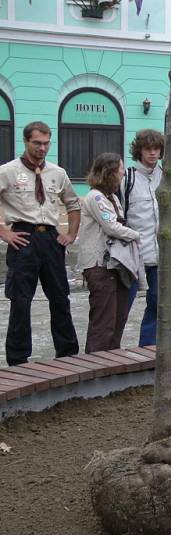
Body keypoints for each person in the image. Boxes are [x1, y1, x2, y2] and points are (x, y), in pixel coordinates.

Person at [0, 121, 80, 365]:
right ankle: (18, 358)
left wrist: (71, 235)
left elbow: (73, 204)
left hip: (51, 239)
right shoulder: (8, 171)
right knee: (21, 301)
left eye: (46, 143)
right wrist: (4, 232)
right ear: (25, 142)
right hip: (23, 237)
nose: (42, 148)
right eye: (37, 143)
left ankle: (67, 354)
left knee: (60, 297)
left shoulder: (57, 172)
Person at [77, 153, 141, 353]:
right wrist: (137, 235)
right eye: (121, 169)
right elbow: (112, 227)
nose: (123, 173)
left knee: (118, 318)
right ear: (110, 172)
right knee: (103, 320)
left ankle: (112, 362)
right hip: (100, 265)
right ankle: (95, 365)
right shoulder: (95, 197)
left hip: (116, 265)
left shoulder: (112, 197)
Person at [121, 129, 166, 347]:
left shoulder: (167, 175)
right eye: (148, 149)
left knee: (157, 306)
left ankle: (148, 349)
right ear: (139, 150)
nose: (152, 153)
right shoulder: (127, 178)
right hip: (132, 254)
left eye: (156, 149)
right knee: (122, 306)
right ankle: (109, 353)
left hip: (160, 255)